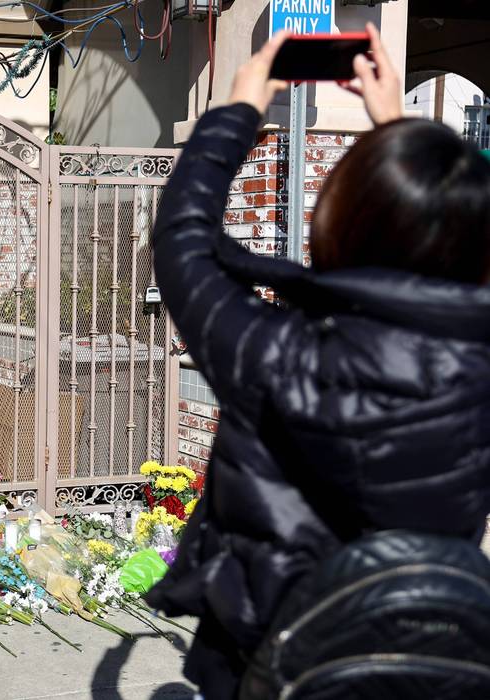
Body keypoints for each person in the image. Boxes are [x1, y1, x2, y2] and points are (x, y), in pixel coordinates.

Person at [143, 25, 490, 699]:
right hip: (427, 656)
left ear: (339, 219)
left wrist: (238, 109)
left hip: (274, 656)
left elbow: (183, 238)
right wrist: (399, 131)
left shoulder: (274, 353)